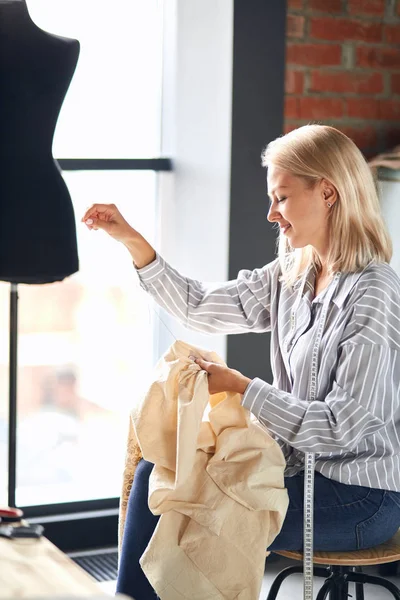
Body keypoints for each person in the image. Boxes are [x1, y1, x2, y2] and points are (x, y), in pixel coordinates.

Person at [82, 125, 400, 600]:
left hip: (357, 497)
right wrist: (131, 239)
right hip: (296, 473)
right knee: (157, 475)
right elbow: (198, 305)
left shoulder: (374, 293)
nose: (272, 214)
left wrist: (243, 387)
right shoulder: (293, 274)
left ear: (328, 193)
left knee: (184, 508)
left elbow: (339, 429)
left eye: (282, 198)